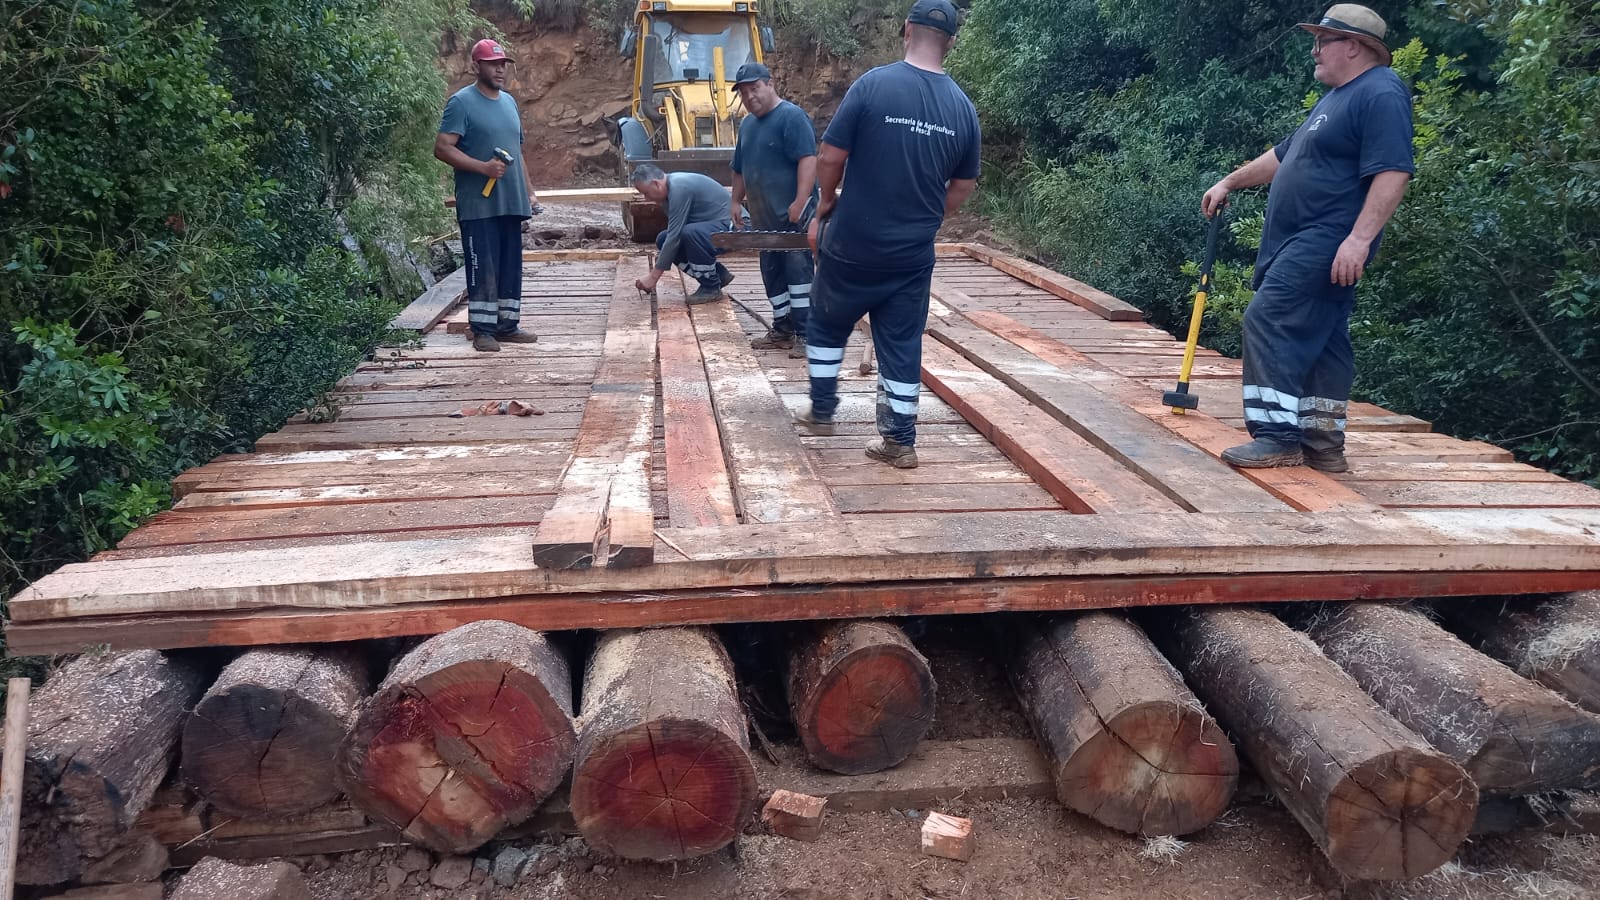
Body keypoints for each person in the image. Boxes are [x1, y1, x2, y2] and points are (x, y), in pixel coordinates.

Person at [1202, 4, 1414, 473]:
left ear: (1353, 46)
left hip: (1329, 238)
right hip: (1312, 240)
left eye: (1323, 41)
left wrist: (1359, 239)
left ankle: (1277, 437)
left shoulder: (1380, 91)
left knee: (1268, 317)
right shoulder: (1335, 100)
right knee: (1325, 336)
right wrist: (1230, 181)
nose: (1314, 51)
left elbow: (1394, 170)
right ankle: (1323, 444)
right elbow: (1283, 155)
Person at [795, 0, 980, 470]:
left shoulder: (872, 85)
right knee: (901, 343)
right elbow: (964, 186)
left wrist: (827, 201)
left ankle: (822, 411)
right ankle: (899, 440)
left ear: (905, 30)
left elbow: (830, 157)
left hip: (853, 245)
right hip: (911, 255)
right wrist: (927, 215)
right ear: (951, 42)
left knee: (827, 322)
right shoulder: (963, 108)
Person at [434, 38, 545, 353]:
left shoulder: (509, 102)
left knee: (510, 266)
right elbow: (442, 148)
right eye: (492, 64)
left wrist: (530, 192)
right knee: (483, 266)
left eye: (503, 64)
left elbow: (517, 153)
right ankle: (482, 330)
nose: (500, 70)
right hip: (478, 204)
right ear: (476, 66)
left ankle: (507, 326)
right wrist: (482, 168)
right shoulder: (461, 103)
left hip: (511, 202)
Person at [729, 62, 819, 357]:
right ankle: (782, 329)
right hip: (764, 219)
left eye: (754, 88)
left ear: (770, 84)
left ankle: (806, 335)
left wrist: (800, 201)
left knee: (799, 275)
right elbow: (740, 167)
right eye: (743, 92)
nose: (749, 96)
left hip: (793, 218)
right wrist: (735, 200)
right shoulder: (747, 126)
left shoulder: (791, 117)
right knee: (772, 275)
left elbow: (808, 159)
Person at [631, 165, 735, 303]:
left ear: (656, 184)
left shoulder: (679, 188)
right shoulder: (669, 191)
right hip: (714, 228)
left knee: (689, 233)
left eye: (646, 193)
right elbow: (672, 236)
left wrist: (653, 277)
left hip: (734, 227)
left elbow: (675, 236)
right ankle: (718, 275)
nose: (646, 198)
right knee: (663, 239)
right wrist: (662, 259)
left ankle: (710, 288)